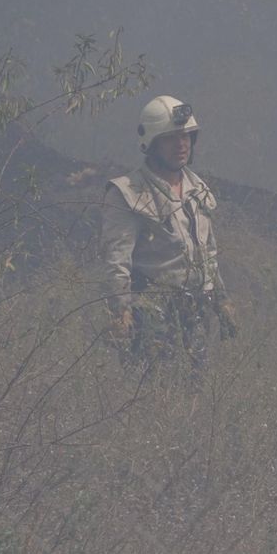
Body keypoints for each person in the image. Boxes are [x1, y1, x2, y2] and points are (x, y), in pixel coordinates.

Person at [101, 94, 238, 370]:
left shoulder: (197, 189)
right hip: (151, 313)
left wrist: (222, 301)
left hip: (196, 312)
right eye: (170, 138)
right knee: (153, 394)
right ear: (151, 143)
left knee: (194, 395)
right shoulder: (127, 193)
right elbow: (116, 259)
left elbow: (207, 252)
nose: (181, 144)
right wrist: (120, 310)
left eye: (186, 136)